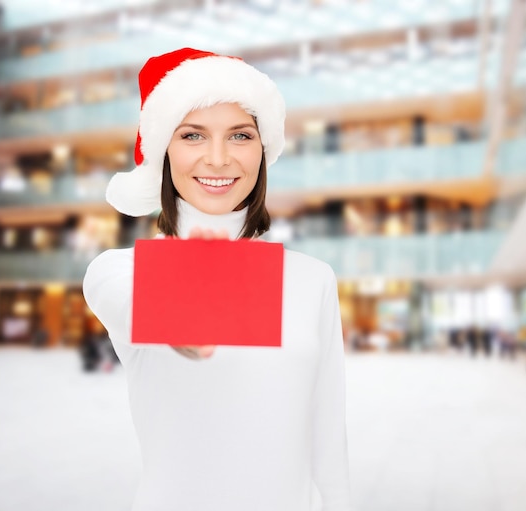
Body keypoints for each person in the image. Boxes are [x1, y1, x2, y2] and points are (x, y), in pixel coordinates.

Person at [83, 48, 351, 510]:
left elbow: (328, 434)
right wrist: (180, 312)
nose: (219, 158)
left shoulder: (313, 280)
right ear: (165, 149)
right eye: (192, 135)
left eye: (240, 135)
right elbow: (128, 299)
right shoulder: (119, 269)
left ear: (262, 149)